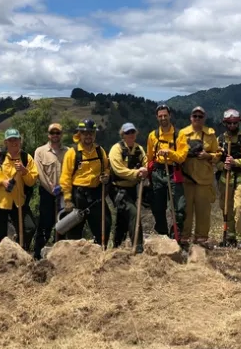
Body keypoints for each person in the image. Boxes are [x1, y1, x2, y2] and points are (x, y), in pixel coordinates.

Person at [59, 119, 111, 245]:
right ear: (79, 134)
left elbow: (106, 167)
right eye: (85, 133)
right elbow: (65, 178)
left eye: (91, 133)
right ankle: (74, 258)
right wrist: (67, 199)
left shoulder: (100, 151)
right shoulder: (73, 153)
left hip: (96, 195)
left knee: (105, 224)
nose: (88, 136)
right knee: (74, 232)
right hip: (78, 196)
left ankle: (100, 252)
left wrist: (106, 176)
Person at [0, 128, 38, 250]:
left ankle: (21, 250)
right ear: (6, 142)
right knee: (0, 236)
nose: (14, 142)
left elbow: (31, 181)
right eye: (11, 140)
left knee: (29, 228)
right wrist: (1, 182)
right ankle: (0, 261)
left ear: (20, 141)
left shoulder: (26, 158)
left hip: (19, 201)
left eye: (16, 139)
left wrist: (25, 172)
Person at [179, 106, 221, 247]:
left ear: (204, 118)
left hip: (204, 179)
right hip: (187, 179)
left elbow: (218, 154)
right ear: (190, 118)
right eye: (195, 116)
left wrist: (207, 155)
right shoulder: (183, 134)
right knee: (186, 210)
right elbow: (177, 153)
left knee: (203, 211)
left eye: (200, 116)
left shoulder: (210, 134)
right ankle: (184, 238)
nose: (197, 118)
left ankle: (201, 239)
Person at [146, 104, 188, 239]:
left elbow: (182, 157)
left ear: (170, 115)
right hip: (158, 173)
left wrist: (169, 153)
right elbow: (149, 157)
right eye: (160, 116)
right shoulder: (153, 136)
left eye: (165, 115)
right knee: (158, 207)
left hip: (173, 172)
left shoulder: (179, 135)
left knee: (178, 207)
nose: (163, 118)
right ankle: (162, 235)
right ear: (157, 118)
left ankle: (175, 233)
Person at [108, 122, 148, 252]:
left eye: (132, 132)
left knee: (122, 220)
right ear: (123, 135)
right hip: (118, 190)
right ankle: (138, 247)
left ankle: (116, 248)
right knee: (133, 214)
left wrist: (145, 170)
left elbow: (145, 163)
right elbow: (119, 170)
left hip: (132, 190)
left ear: (135, 134)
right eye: (127, 133)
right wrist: (137, 173)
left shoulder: (139, 149)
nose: (130, 135)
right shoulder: (116, 149)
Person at [32, 122, 68, 260]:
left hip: (64, 194)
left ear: (61, 135)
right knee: (44, 225)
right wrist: (52, 189)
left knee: (63, 224)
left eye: (57, 133)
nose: (55, 135)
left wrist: (63, 188)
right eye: (52, 133)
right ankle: (37, 256)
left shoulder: (68, 152)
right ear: (48, 135)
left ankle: (60, 255)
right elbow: (40, 173)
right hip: (47, 194)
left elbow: (70, 172)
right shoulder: (40, 152)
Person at [216, 108, 241, 247]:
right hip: (225, 179)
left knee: (240, 206)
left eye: (234, 123)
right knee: (226, 208)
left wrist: (236, 162)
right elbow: (215, 160)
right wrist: (222, 166)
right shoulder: (220, 140)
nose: (232, 126)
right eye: (229, 123)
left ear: (238, 123)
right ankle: (230, 236)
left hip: (240, 178)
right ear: (225, 123)